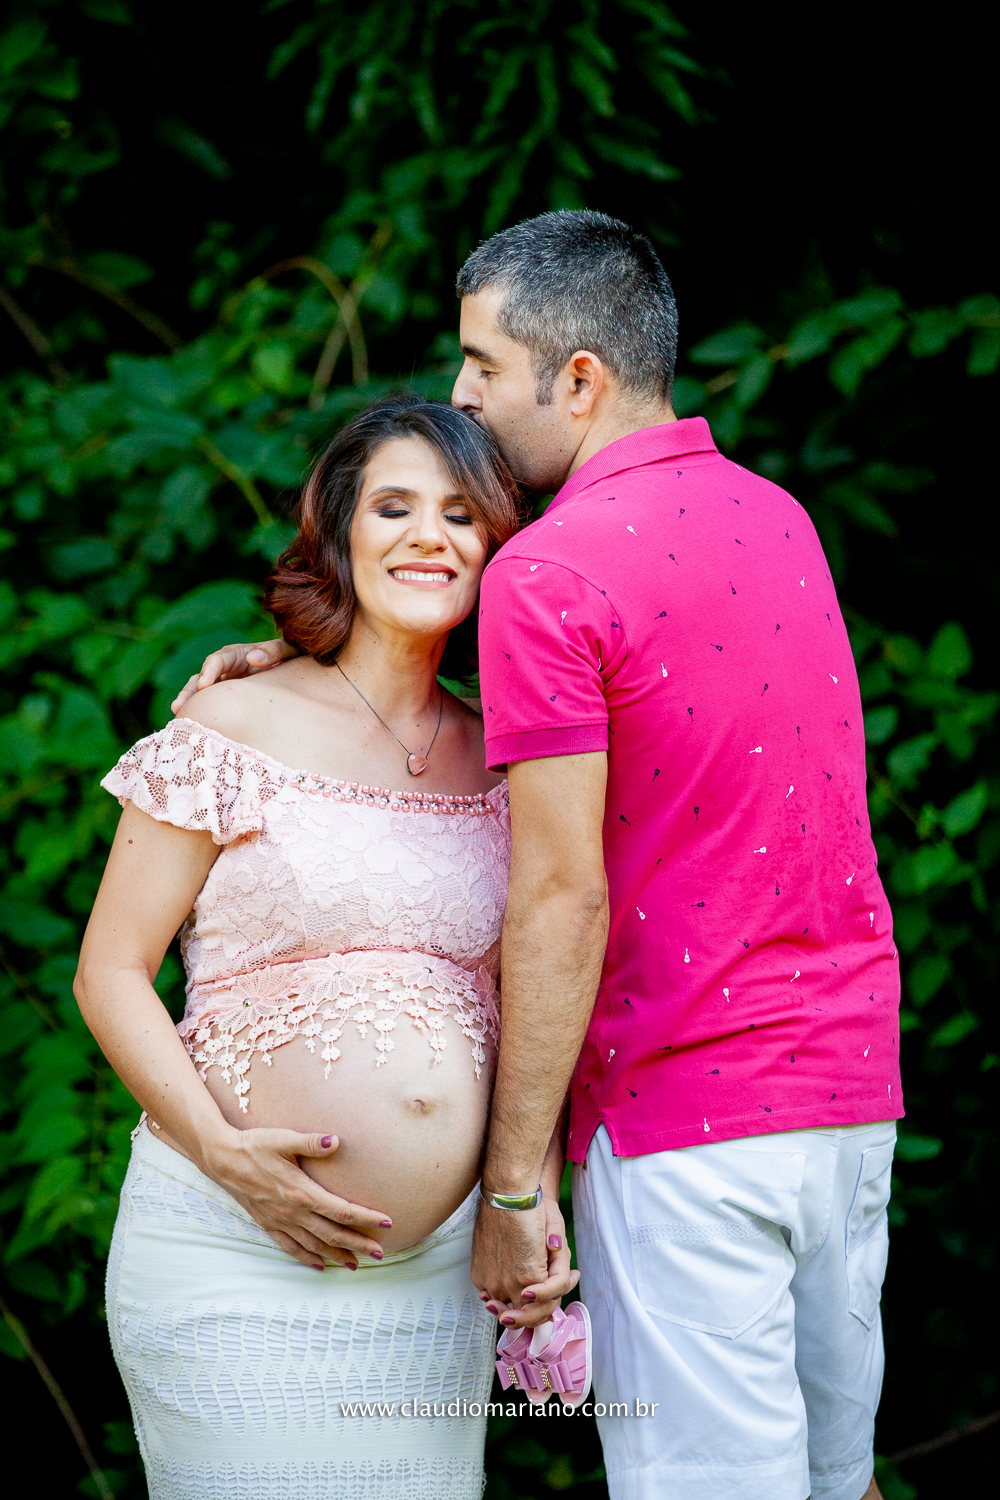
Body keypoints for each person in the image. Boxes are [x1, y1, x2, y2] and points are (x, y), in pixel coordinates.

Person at [180, 211, 902, 1500]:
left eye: (482, 365)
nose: (460, 391)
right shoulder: (778, 518)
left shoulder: (554, 572)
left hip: (687, 1120)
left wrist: (516, 1190)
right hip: (848, 1100)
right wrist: (302, 660)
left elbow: (562, 894)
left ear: (577, 379)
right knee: (837, 1481)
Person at [75, 396, 576, 1500]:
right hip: (230, 1251)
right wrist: (224, 1154)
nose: (428, 536)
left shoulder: (512, 760)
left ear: (497, 546)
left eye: (462, 514)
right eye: (394, 507)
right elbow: (109, 972)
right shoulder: (232, 723)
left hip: (435, 1284)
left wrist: (531, 1197)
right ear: (340, 530)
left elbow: (534, 999)